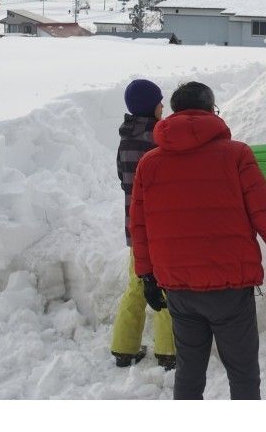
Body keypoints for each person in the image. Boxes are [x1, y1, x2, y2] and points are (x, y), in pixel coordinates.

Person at [129, 81, 266, 400]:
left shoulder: (149, 164)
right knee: (242, 373)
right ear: (211, 110)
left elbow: (139, 226)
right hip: (230, 287)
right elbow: (264, 213)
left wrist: (147, 276)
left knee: (189, 371)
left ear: (174, 113)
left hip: (179, 287)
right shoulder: (236, 155)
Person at [110, 79, 176, 370]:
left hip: (134, 229)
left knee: (136, 285)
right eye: (160, 102)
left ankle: (123, 348)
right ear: (151, 106)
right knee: (166, 286)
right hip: (160, 229)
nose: (163, 105)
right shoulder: (160, 140)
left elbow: (125, 183)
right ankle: (168, 352)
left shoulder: (125, 139)